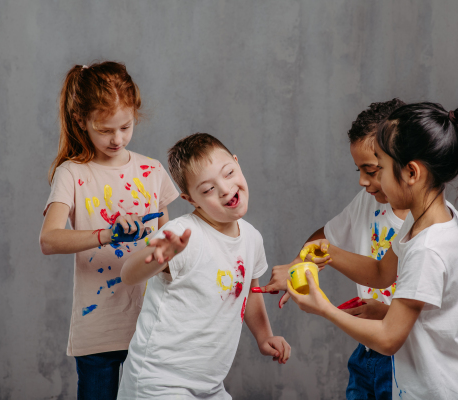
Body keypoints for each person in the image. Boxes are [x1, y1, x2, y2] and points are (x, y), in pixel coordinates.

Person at [287, 102, 458, 399]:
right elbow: (381, 273)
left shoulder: (428, 248)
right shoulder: (424, 222)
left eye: (379, 164)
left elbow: (389, 339)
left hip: (447, 391)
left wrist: (324, 309)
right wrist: (329, 251)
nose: (369, 180)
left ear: (411, 173)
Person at [39, 62, 180, 400]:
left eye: (126, 127)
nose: (117, 139)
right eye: (105, 130)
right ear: (81, 121)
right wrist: (106, 234)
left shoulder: (153, 171)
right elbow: (48, 239)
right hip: (98, 332)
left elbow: (172, 246)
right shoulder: (72, 174)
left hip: (151, 329)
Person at [117, 133, 291, 399]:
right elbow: (128, 274)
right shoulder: (183, 234)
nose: (224, 189)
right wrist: (157, 257)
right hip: (159, 381)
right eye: (208, 189)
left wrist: (264, 336)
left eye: (229, 172)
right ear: (191, 200)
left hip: (208, 385)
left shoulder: (252, 238)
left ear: (237, 163)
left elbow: (248, 291)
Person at [260, 99, 408, 399]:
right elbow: (325, 240)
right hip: (368, 351)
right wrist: (299, 267)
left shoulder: (426, 227)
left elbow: (438, 317)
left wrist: (387, 313)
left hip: (407, 358)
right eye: (359, 169)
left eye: (371, 169)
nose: (362, 180)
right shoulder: (367, 202)